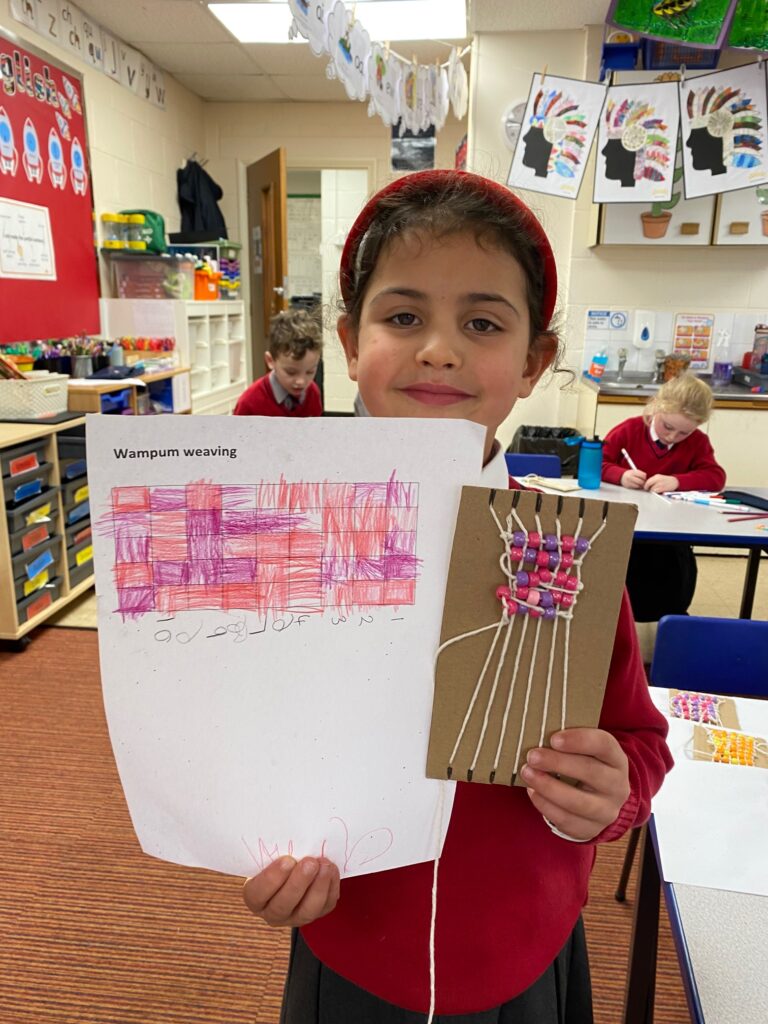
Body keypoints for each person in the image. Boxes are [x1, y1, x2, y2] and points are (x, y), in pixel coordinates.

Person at [241, 170, 672, 1022]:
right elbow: (246, 738)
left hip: (520, 951)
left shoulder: (568, 550)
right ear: (350, 344)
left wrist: (611, 792)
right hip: (350, 944)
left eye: (481, 323)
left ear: (532, 363)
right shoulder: (281, 541)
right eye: (403, 317)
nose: (439, 348)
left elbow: (641, 742)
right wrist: (248, 844)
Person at [602, 373, 726, 622]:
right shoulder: (629, 430)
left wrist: (678, 481)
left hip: (670, 534)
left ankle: (666, 620)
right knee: (618, 579)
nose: (672, 437)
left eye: (683, 433)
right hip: (627, 529)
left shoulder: (698, 442)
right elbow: (596, 463)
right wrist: (621, 475)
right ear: (656, 407)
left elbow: (715, 477)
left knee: (670, 579)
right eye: (668, 427)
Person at [233, 308, 323, 417]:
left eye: (310, 372)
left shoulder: (313, 393)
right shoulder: (249, 403)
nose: (301, 381)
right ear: (270, 361)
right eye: (291, 372)